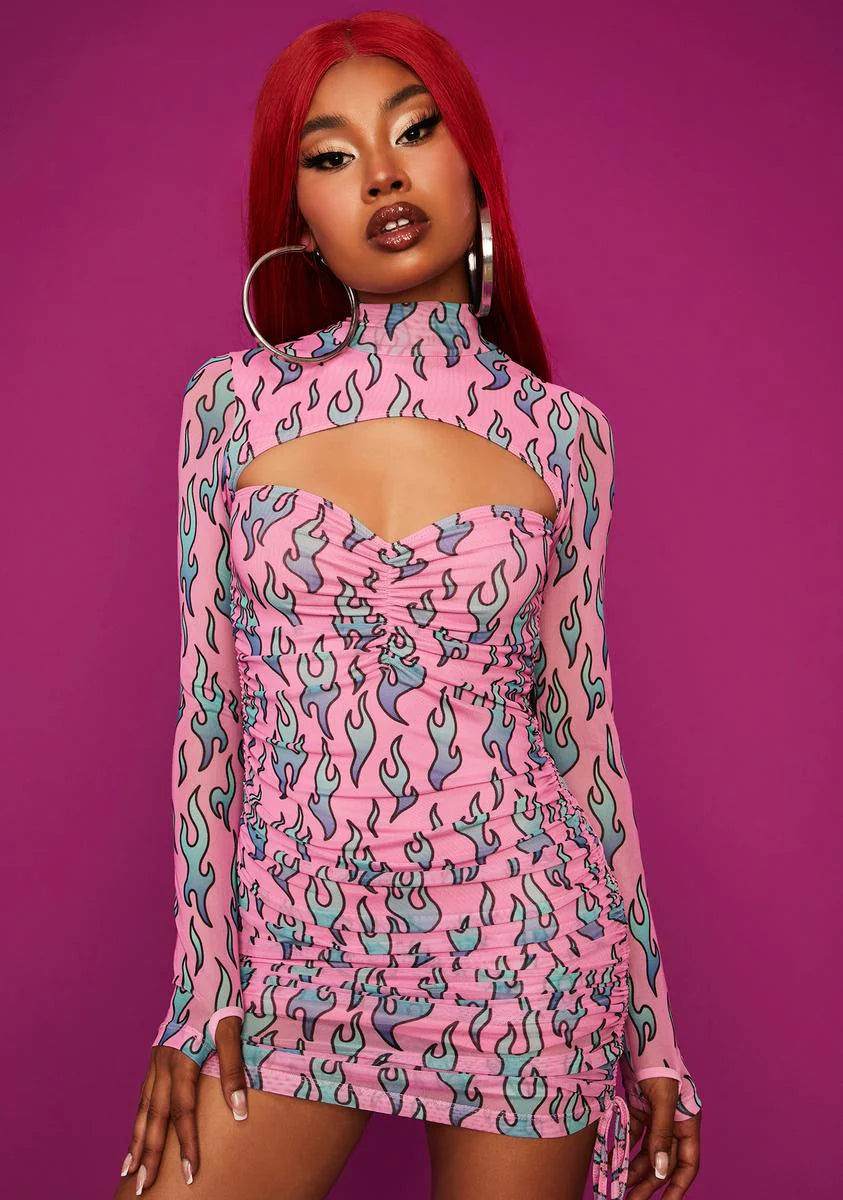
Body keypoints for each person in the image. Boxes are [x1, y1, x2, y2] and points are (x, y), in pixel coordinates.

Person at [115, 12, 702, 1199]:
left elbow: (582, 742)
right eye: (332, 156)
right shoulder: (231, 406)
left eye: (415, 132)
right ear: (300, 218)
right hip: (291, 961)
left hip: (522, 955)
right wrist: (198, 993)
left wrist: (654, 1036)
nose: (382, 175)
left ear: (471, 162)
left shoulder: (562, 434)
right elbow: (209, 725)